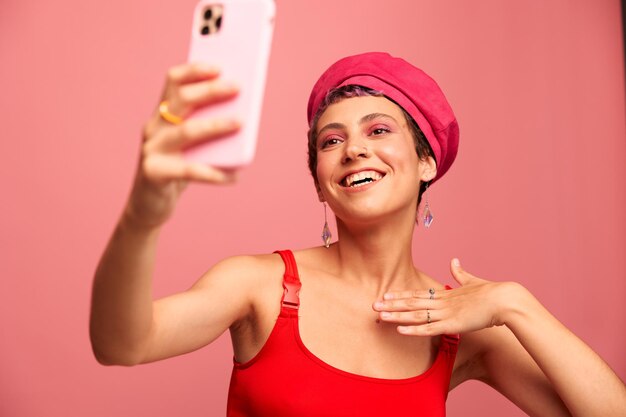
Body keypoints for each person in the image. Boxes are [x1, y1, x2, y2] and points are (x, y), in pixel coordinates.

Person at [90, 52, 626, 416]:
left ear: (425, 162)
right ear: (321, 185)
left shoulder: (457, 323)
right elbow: (122, 344)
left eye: (378, 130)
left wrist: (516, 304)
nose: (353, 150)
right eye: (331, 141)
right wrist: (142, 216)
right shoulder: (258, 285)